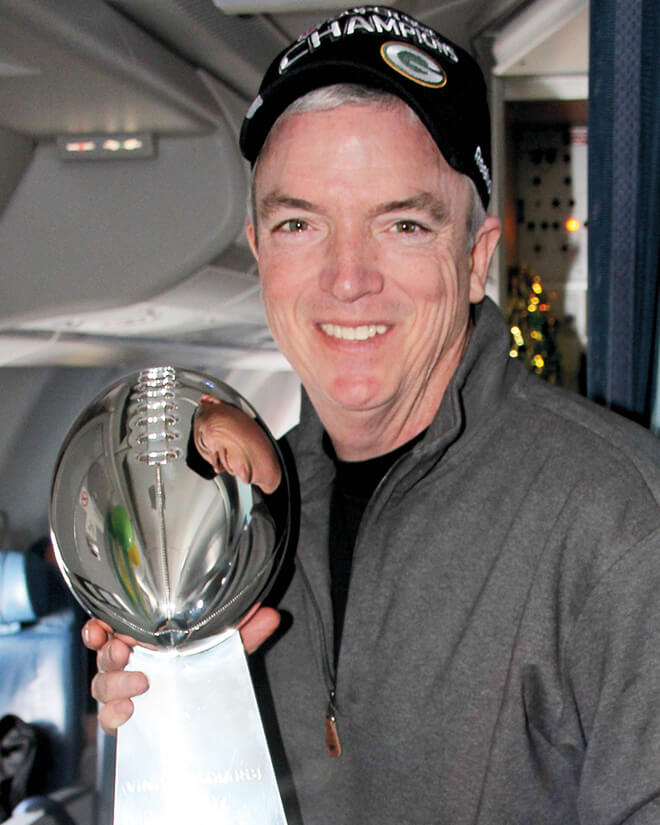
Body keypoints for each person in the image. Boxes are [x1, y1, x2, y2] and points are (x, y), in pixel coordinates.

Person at [84, 6, 660, 824]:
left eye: (401, 223)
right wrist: (160, 719)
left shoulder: (624, 524)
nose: (347, 277)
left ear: (474, 258)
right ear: (259, 254)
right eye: (300, 223)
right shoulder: (225, 529)